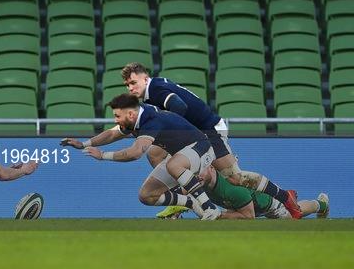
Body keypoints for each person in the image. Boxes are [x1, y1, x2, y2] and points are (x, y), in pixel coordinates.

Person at [118, 62, 302, 219]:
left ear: (145, 79)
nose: (130, 88)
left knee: (235, 178)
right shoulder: (153, 90)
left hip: (209, 130)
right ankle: (182, 200)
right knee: (157, 153)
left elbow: (178, 106)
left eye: (133, 82)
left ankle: (286, 197)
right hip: (195, 134)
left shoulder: (156, 89)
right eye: (127, 85)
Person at [62, 93, 221, 220]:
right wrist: (84, 144)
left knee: (173, 165)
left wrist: (103, 155)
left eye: (117, 116)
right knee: (147, 196)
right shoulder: (135, 118)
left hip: (201, 148)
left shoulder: (150, 120)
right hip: (181, 155)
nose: (115, 120)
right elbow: (112, 134)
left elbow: (135, 152)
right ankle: (190, 202)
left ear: (130, 114)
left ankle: (210, 208)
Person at [162, 165, 329, 220]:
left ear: (211, 168)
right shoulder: (200, 180)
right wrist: (175, 210)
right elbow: (182, 193)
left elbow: (249, 217)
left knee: (295, 213)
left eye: (199, 170)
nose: (195, 175)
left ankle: (322, 204)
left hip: (268, 204)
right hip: (241, 204)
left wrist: (218, 214)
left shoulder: (233, 190)